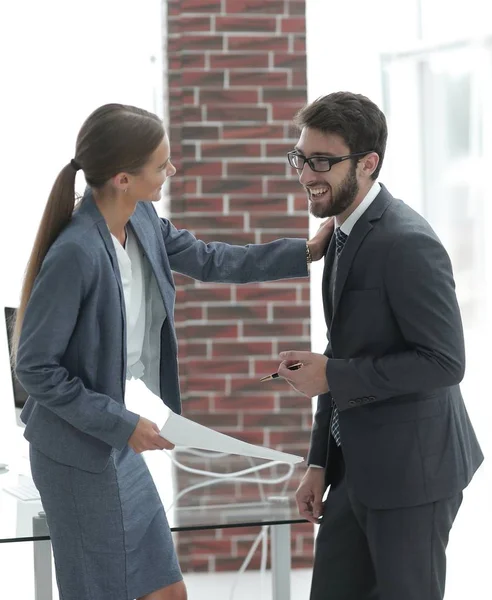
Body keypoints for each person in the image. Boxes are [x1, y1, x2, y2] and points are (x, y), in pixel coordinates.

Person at [13, 103, 334, 600]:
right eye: (162, 165)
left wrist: (305, 251)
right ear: (123, 178)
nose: (172, 171)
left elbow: (210, 259)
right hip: (76, 454)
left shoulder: (140, 218)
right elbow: (33, 368)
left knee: (167, 591)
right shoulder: (76, 253)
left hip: (111, 443)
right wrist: (123, 424)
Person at [276, 92, 484, 600]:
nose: (306, 173)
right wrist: (319, 461)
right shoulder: (339, 235)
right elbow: (339, 350)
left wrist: (333, 376)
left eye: (322, 161)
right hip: (355, 470)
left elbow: (445, 361)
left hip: (414, 476)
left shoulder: (406, 241)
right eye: (301, 157)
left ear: (367, 164)